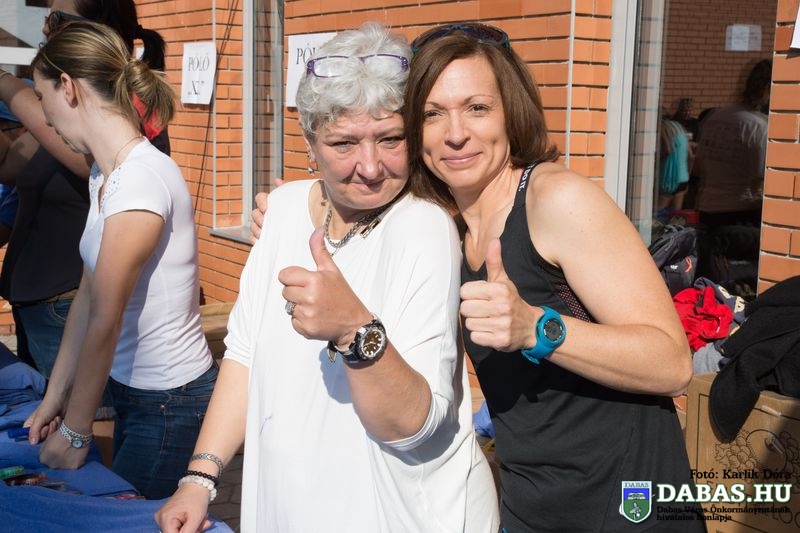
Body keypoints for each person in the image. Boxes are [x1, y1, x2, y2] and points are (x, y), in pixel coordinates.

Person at [157, 22, 498, 532]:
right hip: (288, 504)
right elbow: (244, 355)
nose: (370, 166)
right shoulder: (284, 209)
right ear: (309, 142)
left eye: (390, 138)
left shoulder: (423, 228)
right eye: (343, 143)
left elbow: (415, 426)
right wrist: (200, 478)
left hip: (396, 515)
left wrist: (355, 331)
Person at [402, 23, 703, 531]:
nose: (455, 133)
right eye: (433, 114)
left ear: (510, 112)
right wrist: (298, 212)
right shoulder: (446, 224)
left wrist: (536, 329)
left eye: (477, 108)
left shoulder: (556, 200)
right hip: (530, 506)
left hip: (628, 507)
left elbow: (671, 363)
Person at [23, 20, 216, 500]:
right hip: (139, 394)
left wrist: (76, 433)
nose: (45, 117)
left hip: (169, 404)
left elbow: (105, 320)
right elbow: (87, 297)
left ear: (68, 87)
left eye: (43, 99)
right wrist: (54, 400)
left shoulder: (139, 182)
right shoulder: (105, 173)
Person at [0, 0, 170, 379]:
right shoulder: (62, 117)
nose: (45, 28)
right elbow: (11, 164)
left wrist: (6, 84)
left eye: (55, 19)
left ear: (98, 27)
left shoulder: (123, 102)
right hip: (40, 304)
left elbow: (89, 162)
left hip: (67, 305)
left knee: (79, 412)